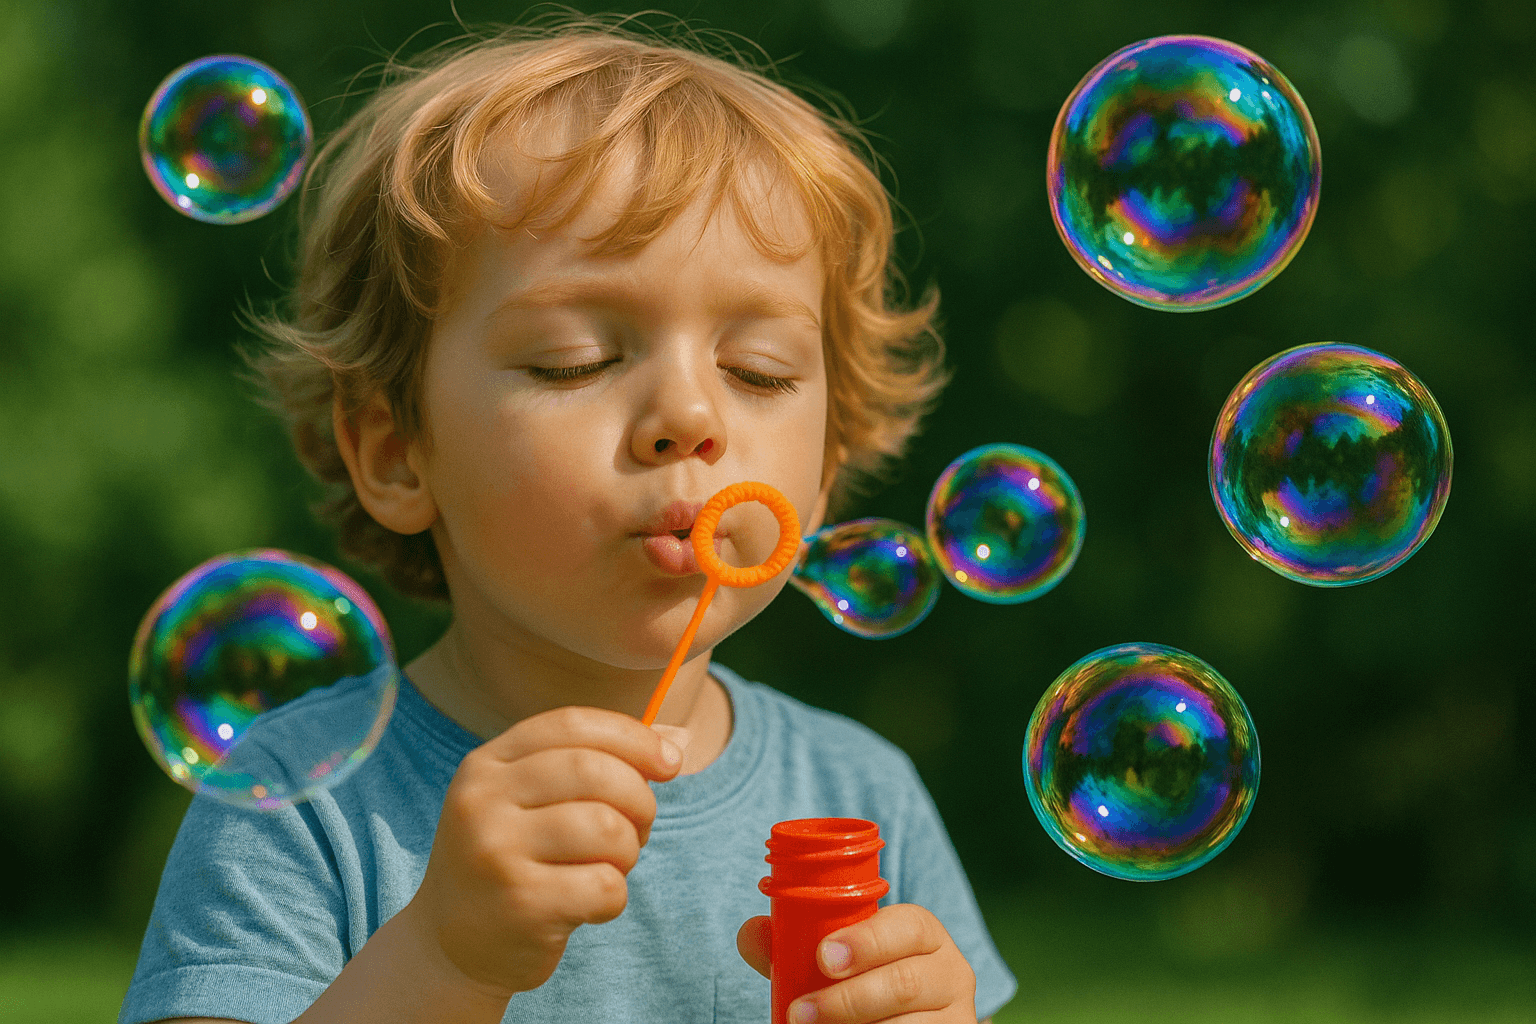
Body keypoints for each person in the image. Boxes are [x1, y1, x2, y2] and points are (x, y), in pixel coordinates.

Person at [120, 16, 1017, 1024]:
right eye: (574, 360)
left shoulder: (859, 797)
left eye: (758, 371)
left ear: (822, 474)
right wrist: (442, 959)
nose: (690, 415)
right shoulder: (303, 802)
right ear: (396, 452)